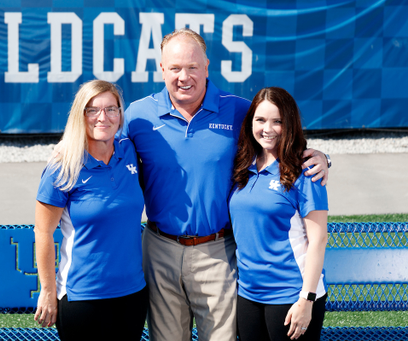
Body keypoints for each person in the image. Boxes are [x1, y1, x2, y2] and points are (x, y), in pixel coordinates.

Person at [122, 28, 330, 341]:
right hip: (160, 248)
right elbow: (103, 153)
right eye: (175, 68)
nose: (184, 76)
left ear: (207, 66)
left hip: (218, 250)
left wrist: (323, 158)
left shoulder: (239, 111)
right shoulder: (137, 116)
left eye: (193, 67)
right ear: (161, 69)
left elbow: (277, 140)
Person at [33, 80, 148, 341]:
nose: (102, 117)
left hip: (132, 294)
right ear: (80, 115)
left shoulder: (129, 152)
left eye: (111, 109)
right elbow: (43, 232)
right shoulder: (62, 168)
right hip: (83, 296)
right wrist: (48, 291)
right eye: (92, 110)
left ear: (121, 114)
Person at [229, 87, 328, 341]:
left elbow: (318, 240)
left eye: (277, 121)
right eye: (260, 120)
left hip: (291, 295)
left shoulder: (306, 172)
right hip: (249, 294)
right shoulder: (243, 165)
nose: (267, 128)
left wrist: (307, 300)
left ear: (290, 124)